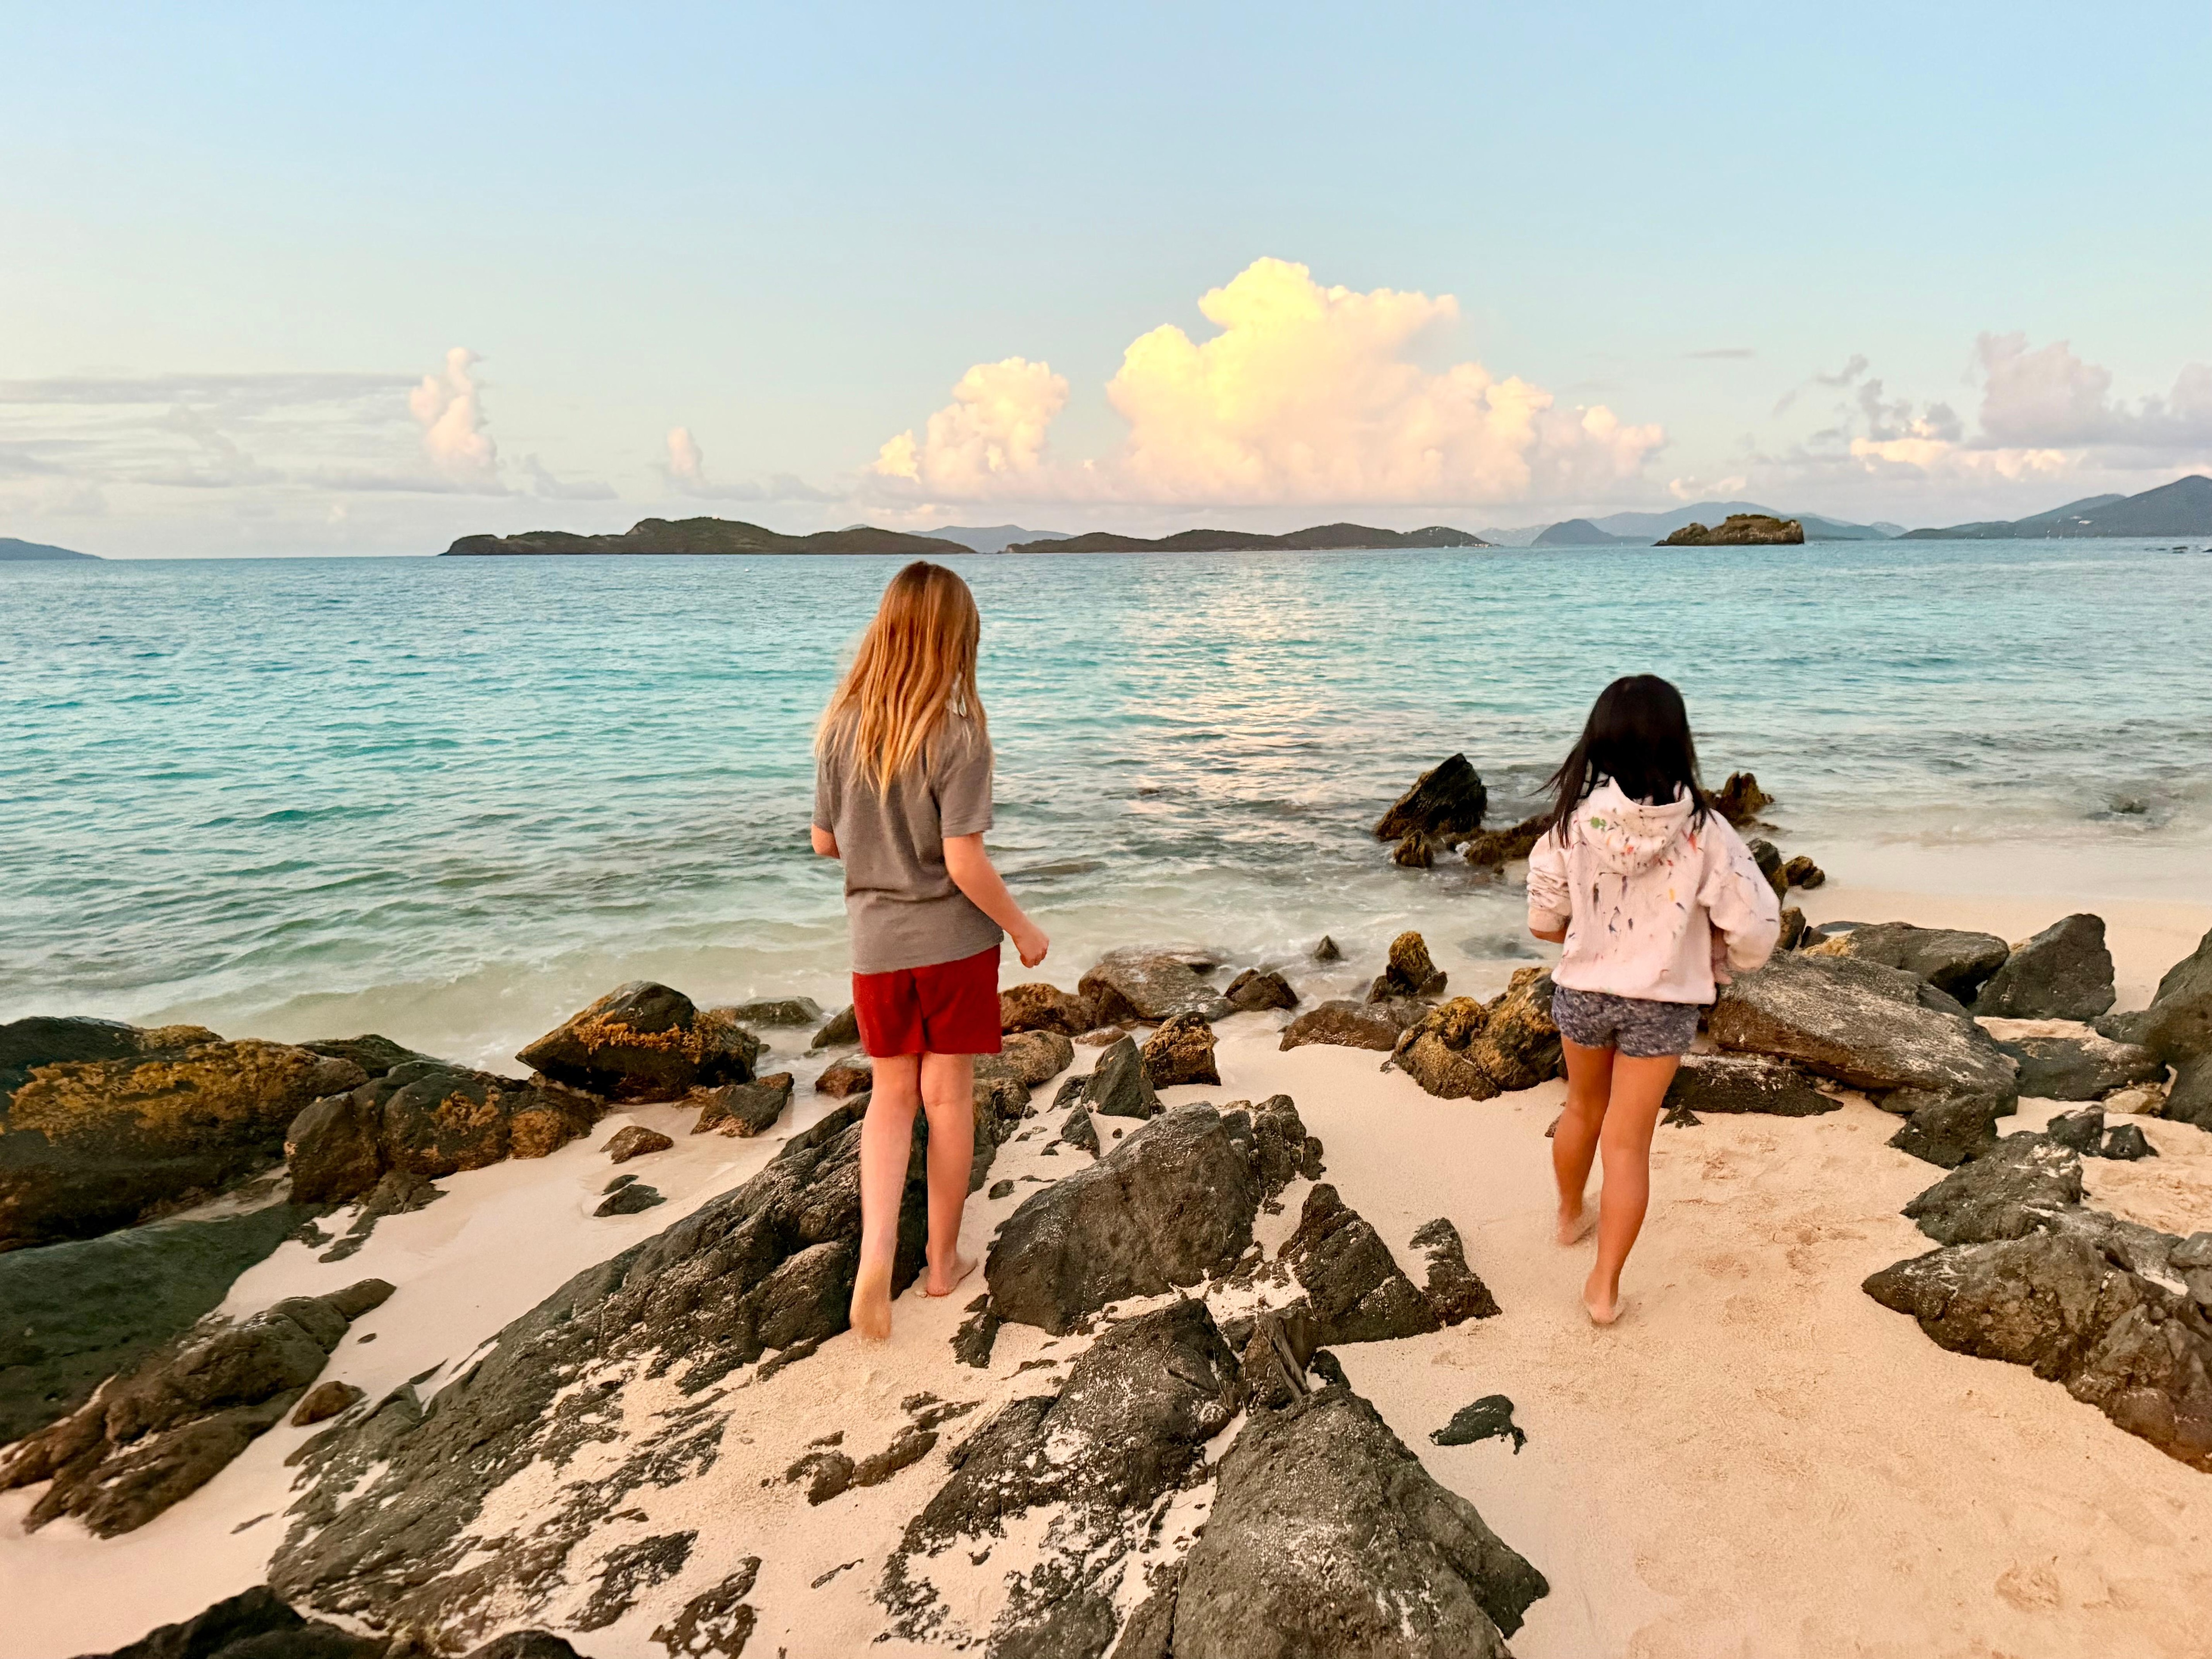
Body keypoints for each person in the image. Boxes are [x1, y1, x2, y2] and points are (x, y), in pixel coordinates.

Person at [811, 561, 1049, 1341]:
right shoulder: (957, 734)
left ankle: (877, 1251)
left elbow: (823, 842)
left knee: (889, 1099)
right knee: (947, 1102)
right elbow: (963, 862)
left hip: (875, 947)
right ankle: (942, 1266)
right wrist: (1021, 927)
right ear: (955, 642)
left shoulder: (840, 726)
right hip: (951, 948)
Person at [1526, 674, 1780, 1326]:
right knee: (1629, 1143)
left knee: (1580, 1107)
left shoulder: (1572, 826)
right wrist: (1728, 959)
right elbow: (1756, 926)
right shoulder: (1707, 831)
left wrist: (1578, 929)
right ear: (1679, 743)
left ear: (1600, 745)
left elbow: (1544, 920)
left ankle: (1566, 1214)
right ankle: (1605, 1287)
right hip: (1663, 1005)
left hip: (1583, 993)